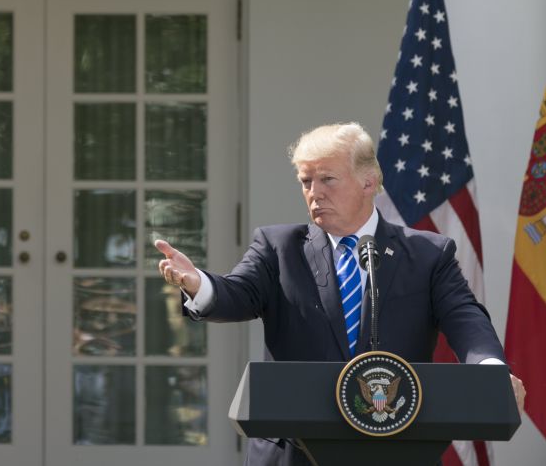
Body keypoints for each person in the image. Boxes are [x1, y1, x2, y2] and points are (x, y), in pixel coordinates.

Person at [155, 122, 526, 466]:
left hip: (396, 445)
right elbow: (237, 293)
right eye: (306, 181)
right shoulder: (278, 247)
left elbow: (465, 317)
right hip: (293, 451)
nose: (314, 193)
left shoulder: (428, 254)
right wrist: (198, 282)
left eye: (327, 179)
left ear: (369, 182)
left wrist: (489, 372)